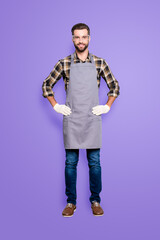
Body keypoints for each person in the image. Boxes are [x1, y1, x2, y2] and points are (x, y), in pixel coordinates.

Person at [42, 23, 120, 217]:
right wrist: (56, 105)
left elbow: (115, 87)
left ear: (89, 38)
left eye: (84, 37)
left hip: (92, 118)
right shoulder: (64, 63)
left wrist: (107, 105)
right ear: (72, 39)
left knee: (94, 162)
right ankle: (71, 202)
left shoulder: (100, 63)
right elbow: (46, 85)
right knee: (70, 163)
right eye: (77, 37)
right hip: (73, 118)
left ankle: (95, 201)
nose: (80, 41)